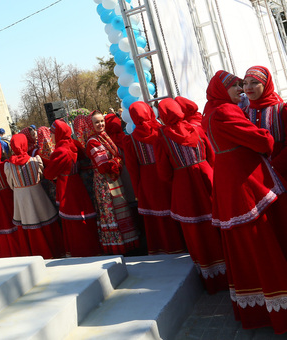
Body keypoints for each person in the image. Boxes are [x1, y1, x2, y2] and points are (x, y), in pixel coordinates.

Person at [203, 70, 287, 333]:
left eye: (249, 84)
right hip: (246, 181)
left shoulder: (210, 110)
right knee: (262, 240)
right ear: (222, 90)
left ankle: (260, 306)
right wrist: (267, 140)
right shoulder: (227, 111)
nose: (243, 89)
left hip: (232, 179)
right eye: (238, 86)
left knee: (248, 245)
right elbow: (262, 141)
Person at [156, 98, 227, 294]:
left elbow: (164, 173)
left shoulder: (162, 138)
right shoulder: (196, 128)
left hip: (184, 187)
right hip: (206, 178)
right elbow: (212, 156)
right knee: (218, 223)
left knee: (196, 233)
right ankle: (233, 272)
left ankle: (212, 280)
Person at [124, 102, 185, 255]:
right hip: (168, 176)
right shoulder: (162, 131)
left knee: (156, 218)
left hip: (147, 181)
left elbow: (132, 169)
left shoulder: (131, 140)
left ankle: (162, 247)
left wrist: (137, 191)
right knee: (174, 210)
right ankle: (181, 244)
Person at [82, 111, 139, 254]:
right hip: (105, 183)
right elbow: (104, 167)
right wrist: (117, 161)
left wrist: (116, 161)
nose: (100, 124)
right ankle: (119, 247)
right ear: (90, 125)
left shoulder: (104, 136)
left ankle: (128, 244)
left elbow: (114, 159)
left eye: (102, 121)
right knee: (112, 212)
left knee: (121, 211)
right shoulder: (93, 141)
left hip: (114, 180)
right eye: (96, 122)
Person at [44, 120, 100, 257]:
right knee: (83, 215)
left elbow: (49, 173)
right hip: (77, 183)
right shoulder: (73, 144)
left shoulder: (61, 151)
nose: (51, 137)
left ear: (58, 134)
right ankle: (92, 247)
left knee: (73, 221)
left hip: (67, 187)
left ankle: (80, 250)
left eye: (52, 134)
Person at [4, 134, 64, 259]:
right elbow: (41, 177)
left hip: (21, 200)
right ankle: (53, 252)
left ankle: (33, 254)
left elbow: (11, 185)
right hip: (38, 195)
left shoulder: (8, 166)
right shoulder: (36, 160)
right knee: (44, 221)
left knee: (27, 225)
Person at [242, 66, 287, 178]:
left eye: (254, 82)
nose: (248, 87)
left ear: (266, 85)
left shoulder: (282, 110)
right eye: (245, 83)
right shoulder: (243, 114)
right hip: (257, 177)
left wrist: (273, 169)